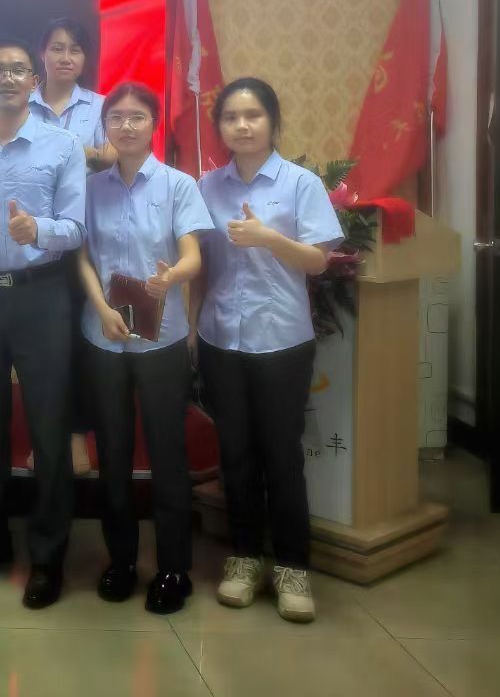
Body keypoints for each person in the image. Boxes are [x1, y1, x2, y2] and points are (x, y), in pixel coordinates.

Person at [193, 77, 342, 624]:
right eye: (231, 117)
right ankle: (244, 558)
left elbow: (319, 261)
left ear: (273, 123)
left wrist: (269, 239)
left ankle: (293, 567)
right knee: (234, 454)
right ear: (220, 127)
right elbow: (197, 262)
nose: (242, 126)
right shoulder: (206, 186)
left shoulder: (301, 183)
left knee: (281, 455)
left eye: (253, 115)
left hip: (281, 339)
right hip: (221, 337)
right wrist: (190, 331)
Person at [0, 37, 87, 610]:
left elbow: (77, 227)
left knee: (49, 430)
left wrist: (40, 231)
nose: (7, 78)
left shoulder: (64, 145)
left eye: (18, 70)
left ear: (34, 81)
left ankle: (48, 555)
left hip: (42, 296)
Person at [76, 83, 213, 615]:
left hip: (163, 337)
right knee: (112, 453)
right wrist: (100, 308)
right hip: (104, 335)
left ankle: (174, 569)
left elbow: (193, 254)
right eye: (116, 117)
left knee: (167, 453)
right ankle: (121, 562)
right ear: (104, 125)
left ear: (153, 124)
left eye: (137, 117)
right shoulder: (90, 189)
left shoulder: (179, 185)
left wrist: (172, 276)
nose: (126, 126)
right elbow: (81, 257)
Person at [31, 17, 113, 477]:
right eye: (57, 47)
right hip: (34, 243)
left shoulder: (101, 108)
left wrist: (72, 151)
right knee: (43, 347)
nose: (66, 57)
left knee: (80, 342)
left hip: (87, 241)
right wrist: (84, 154)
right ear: (41, 54)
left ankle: (77, 436)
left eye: (75, 49)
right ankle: (45, 436)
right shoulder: (21, 105)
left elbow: (117, 159)